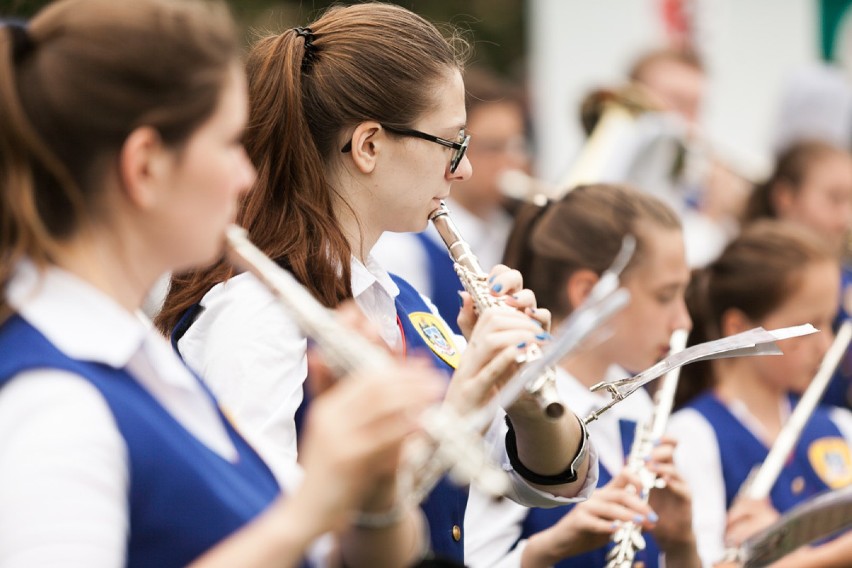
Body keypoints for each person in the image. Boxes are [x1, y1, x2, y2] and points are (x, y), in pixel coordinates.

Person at [0, 1, 445, 566]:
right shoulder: (51, 398)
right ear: (146, 167)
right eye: (228, 143)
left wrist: (373, 487)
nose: (246, 175)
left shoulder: (143, 361)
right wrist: (309, 508)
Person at [155, 4, 596, 564]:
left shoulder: (401, 301)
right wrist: (459, 406)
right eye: (451, 144)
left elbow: (546, 485)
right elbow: (260, 535)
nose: (461, 171)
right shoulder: (254, 315)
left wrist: (527, 397)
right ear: (368, 145)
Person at [464, 184, 700, 568]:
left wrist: (682, 546)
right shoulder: (511, 408)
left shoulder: (637, 405)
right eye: (664, 296)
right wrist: (555, 545)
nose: (682, 321)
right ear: (591, 293)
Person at [669, 221, 852, 567]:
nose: (826, 345)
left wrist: (790, 552)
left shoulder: (840, 426)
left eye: (830, 323)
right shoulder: (692, 436)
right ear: (741, 331)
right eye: (808, 326)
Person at [372, 67, 530, 332]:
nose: (513, 162)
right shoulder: (401, 246)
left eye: (518, 146)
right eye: (494, 147)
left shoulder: (509, 229)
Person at [743, 140, 852, 409]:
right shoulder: (743, 275)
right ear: (785, 197)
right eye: (834, 199)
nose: (846, 220)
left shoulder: (846, 280)